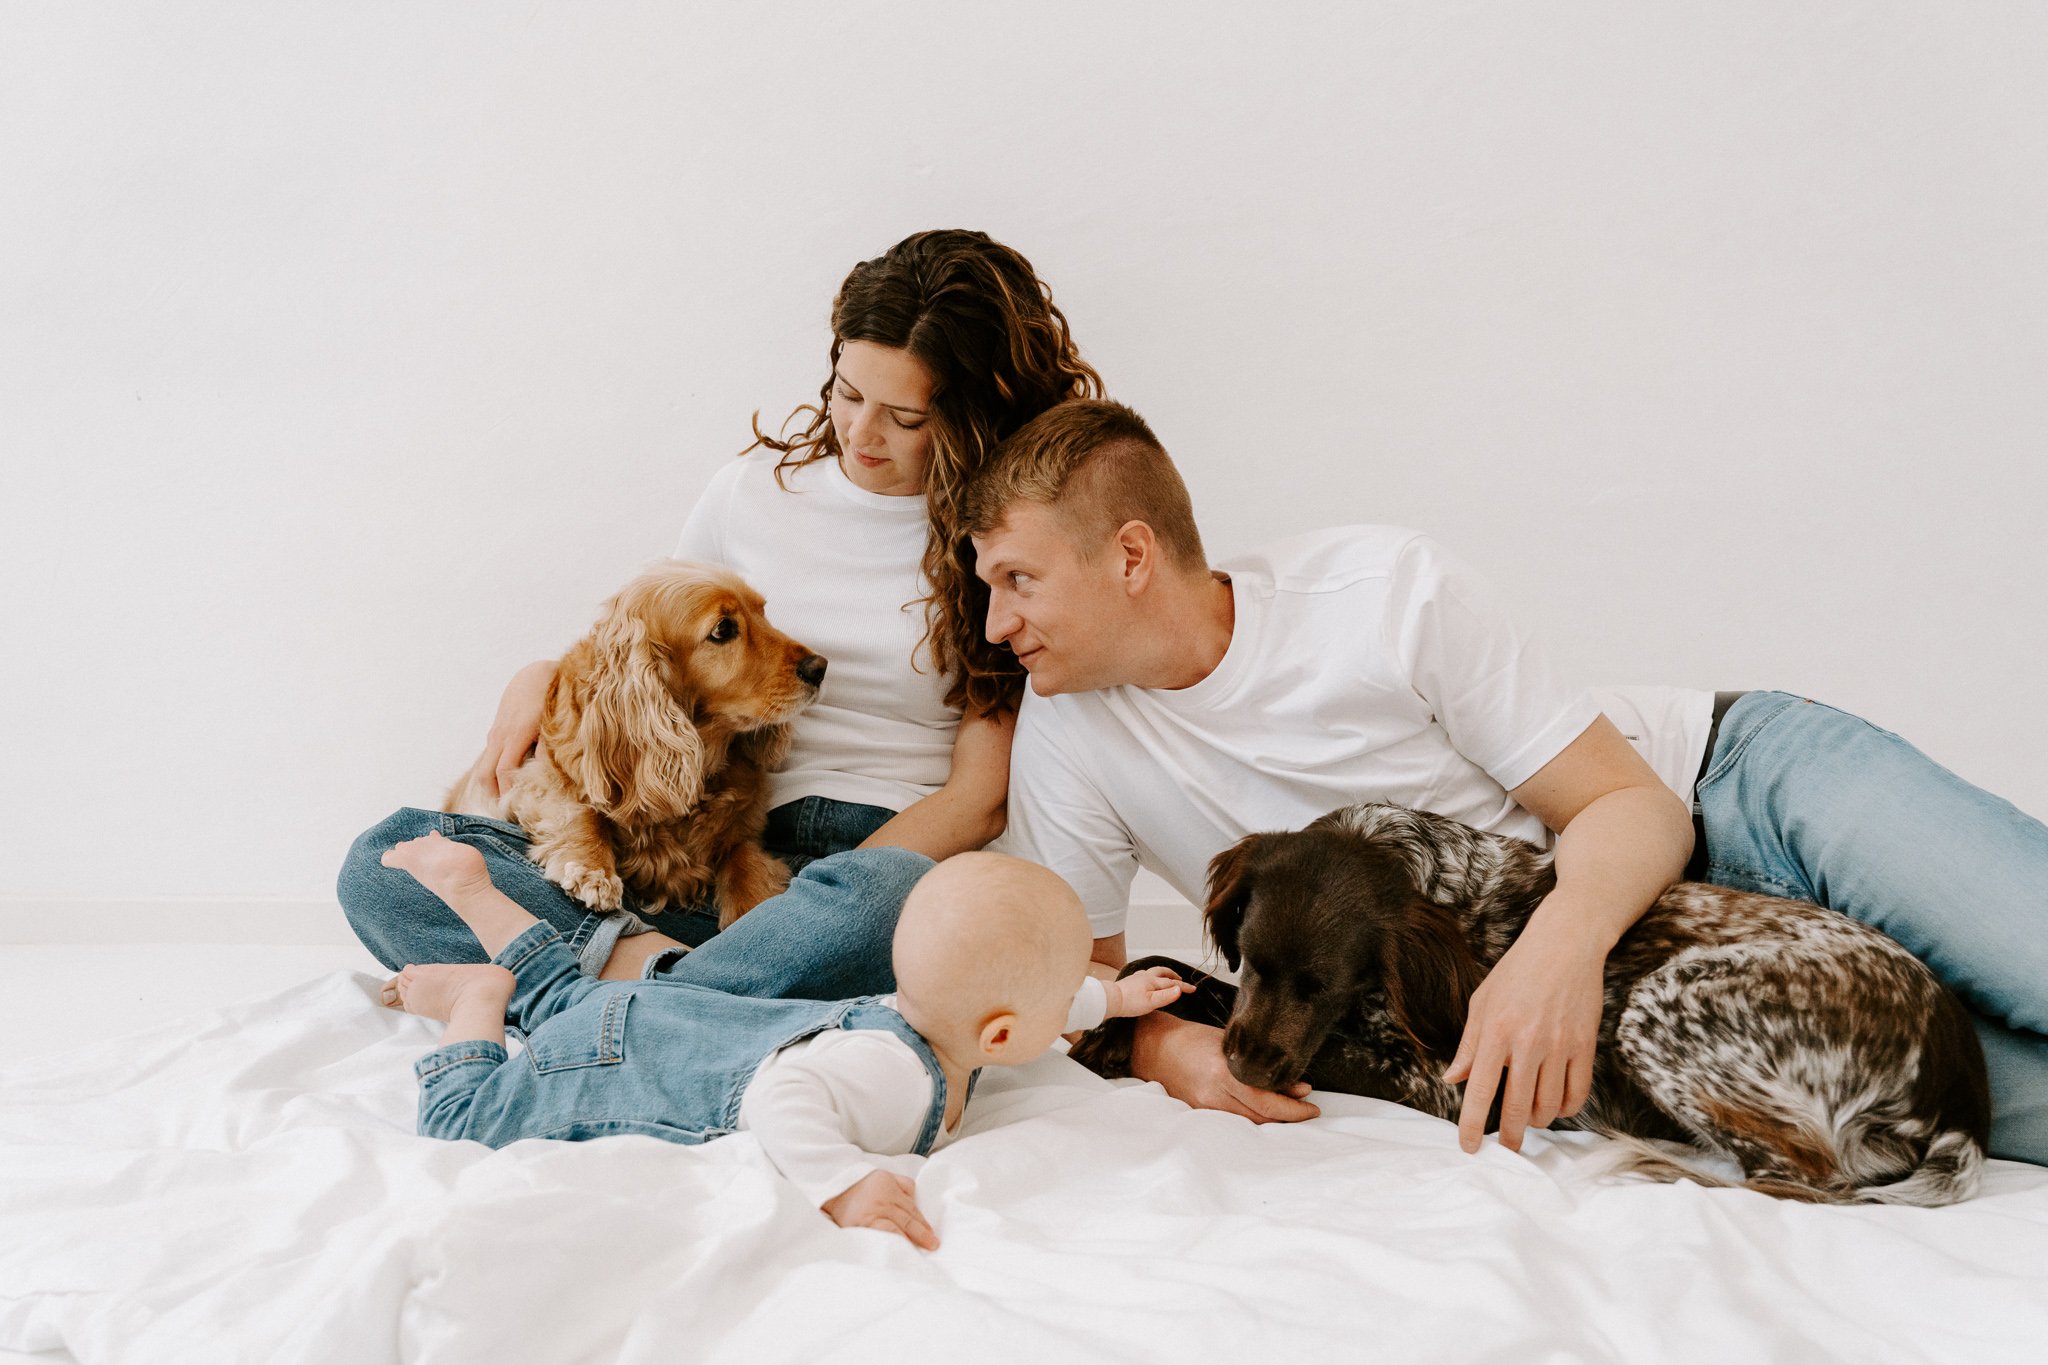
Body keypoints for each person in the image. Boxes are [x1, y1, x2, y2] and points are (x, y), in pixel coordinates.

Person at [962, 397, 2048, 1166]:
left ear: (1131, 556)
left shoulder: (1381, 592)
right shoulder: (1067, 732)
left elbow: (1629, 803)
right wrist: (1175, 1052)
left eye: (1019, 580)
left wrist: (1550, 958)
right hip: (1673, 993)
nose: (997, 622)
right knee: (1964, 1109)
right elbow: (1088, 986)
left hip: (1732, 790)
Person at [337, 229, 1100, 1001]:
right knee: (385, 860)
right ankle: (681, 982)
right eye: (847, 393)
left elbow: (980, 800)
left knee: (894, 902)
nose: (861, 433)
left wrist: (814, 902)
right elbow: (657, 643)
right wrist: (541, 676)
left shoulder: (1003, 536)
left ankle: (618, 981)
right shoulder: (751, 492)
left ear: (974, 411)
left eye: (904, 417)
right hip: (708, 849)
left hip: (870, 864)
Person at [378, 832, 1190, 1249]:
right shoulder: (896, 1074)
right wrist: (841, 1181)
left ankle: (473, 891)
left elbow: (1026, 1005)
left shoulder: (930, 1011)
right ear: (1002, 1034)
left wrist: (1115, 997)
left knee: (565, 996)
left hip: (654, 1014)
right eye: (1064, 1003)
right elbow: (781, 1094)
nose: (1066, 1014)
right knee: (460, 1123)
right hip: (625, 1060)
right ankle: (478, 999)